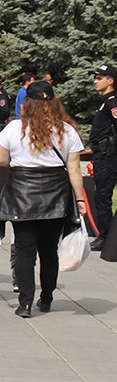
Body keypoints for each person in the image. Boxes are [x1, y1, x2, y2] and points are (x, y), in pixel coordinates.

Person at [0, 80, 88, 317]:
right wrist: (80, 200)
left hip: (22, 192)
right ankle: (46, 299)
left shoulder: (14, 129)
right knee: (48, 250)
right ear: (53, 102)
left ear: (27, 103)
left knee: (25, 249)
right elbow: (74, 169)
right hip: (56, 194)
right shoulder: (67, 130)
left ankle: (25, 303)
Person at [87, 64, 116, 250]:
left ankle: (105, 237)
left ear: (110, 80)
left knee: (103, 196)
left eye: (100, 78)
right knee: (101, 196)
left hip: (108, 156)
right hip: (102, 155)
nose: (96, 81)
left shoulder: (113, 102)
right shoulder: (105, 100)